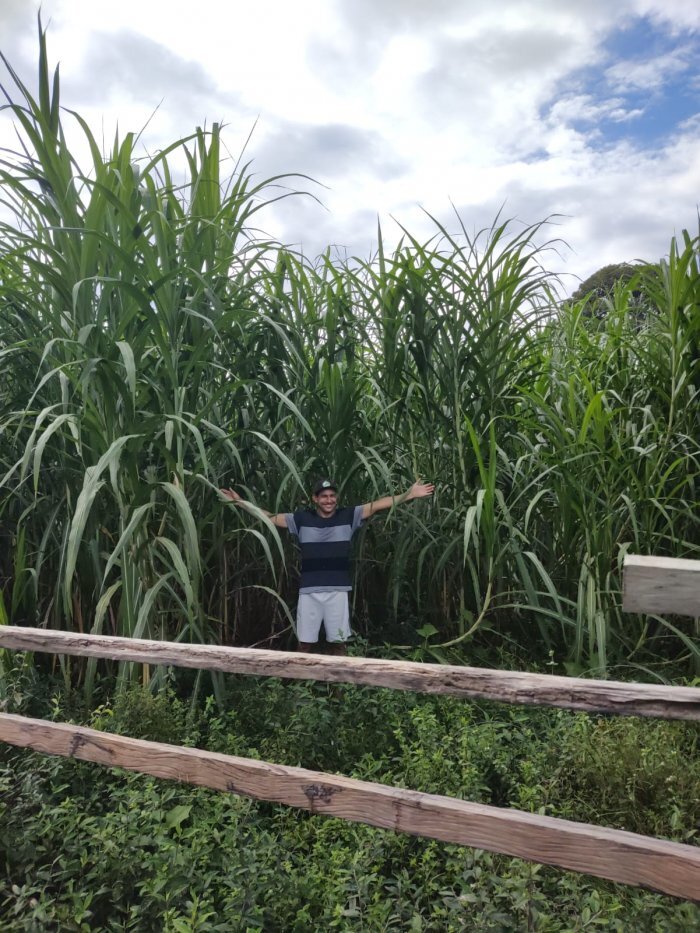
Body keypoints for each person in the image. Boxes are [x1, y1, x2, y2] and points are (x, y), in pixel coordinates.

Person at [220, 477, 434, 654]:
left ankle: (338, 693)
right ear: (315, 499)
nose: (329, 500)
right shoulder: (301, 519)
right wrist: (240, 502)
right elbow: (269, 517)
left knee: (338, 642)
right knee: (304, 643)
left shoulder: (349, 515)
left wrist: (409, 494)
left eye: (332, 496)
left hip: (337, 590)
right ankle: (300, 692)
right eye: (324, 496)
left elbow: (379, 504)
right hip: (309, 591)